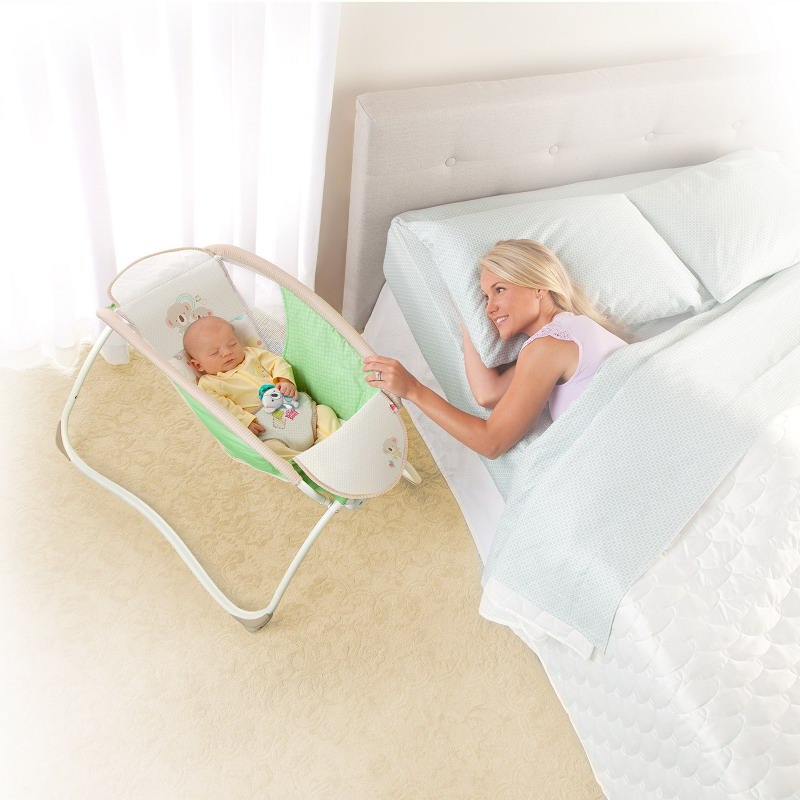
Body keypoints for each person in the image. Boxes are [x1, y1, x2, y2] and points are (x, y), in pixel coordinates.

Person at [363, 239, 627, 460]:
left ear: (538, 287)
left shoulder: (547, 347)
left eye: (500, 290)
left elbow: (492, 443)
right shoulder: (574, 330)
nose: (489, 308)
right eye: (485, 298)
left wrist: (413, 389)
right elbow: (489, 394)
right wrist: (469, 318)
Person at [183, 316, 340, 459]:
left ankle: (330, 446)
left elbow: (277, 363)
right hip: (270, 430)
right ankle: (304, 462)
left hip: (297, 410)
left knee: (324, 411)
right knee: (270, 451)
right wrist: (245, 421)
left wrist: (285, 380)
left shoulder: (252, 355)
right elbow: (222, 408)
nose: (227, 352)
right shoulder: (208, 384)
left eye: (232, 344)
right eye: (214, 353)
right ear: (198, 365)